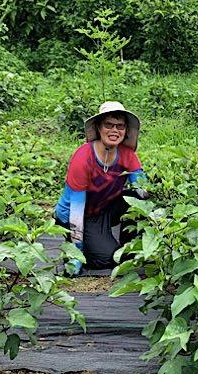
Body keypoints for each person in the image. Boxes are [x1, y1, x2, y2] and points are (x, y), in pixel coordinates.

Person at [55, 101, 145, 274]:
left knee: (135, 198)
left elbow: (143, 190)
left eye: (120, 126)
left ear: (126, 130)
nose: (114, 130)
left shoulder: (127, 154)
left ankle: (128, 248)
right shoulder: (83, 157)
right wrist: (77, 254)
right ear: (98, 128)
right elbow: (76, 210)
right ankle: (75, 245)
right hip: (79, 214)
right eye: (108, 125)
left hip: (104, 208)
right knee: (106, 258)